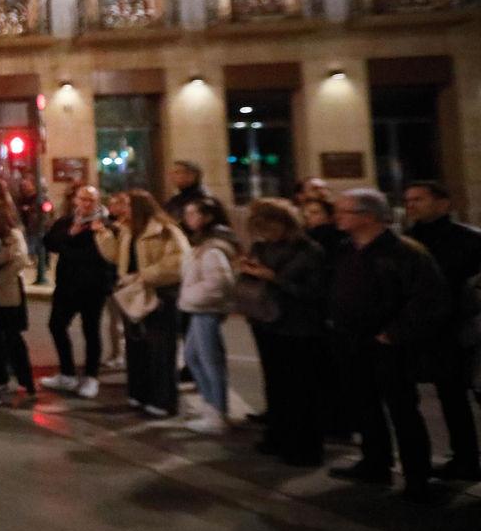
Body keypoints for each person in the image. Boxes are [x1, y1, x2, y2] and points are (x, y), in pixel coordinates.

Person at [327, 188, 449, 501]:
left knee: (403, 411)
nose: (336, 216)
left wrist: (393, 333)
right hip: (352, 341)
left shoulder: (404, 252)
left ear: (368, 216)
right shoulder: (345, 248)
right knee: (364, 406)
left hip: (389, 345)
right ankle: (375, 463)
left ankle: (416, 478)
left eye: (344, 211)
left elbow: (428, 300)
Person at [238, 198, 329, 466]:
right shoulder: (262, 247)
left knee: (301, 389)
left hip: (299, 326)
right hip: (267, 321)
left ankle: (304, 447)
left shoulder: (309, 251)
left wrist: (273, 278)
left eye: (267, 228)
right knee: (275, 384)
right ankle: (277, 436)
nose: (264, 234)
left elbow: (315, 292)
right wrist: (249, 272)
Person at [402, 181, 481, 480]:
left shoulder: (469, 240)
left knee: (457, 395)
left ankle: (467, 457)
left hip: (458, 328)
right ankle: (462, 456)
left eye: (418, 199)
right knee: (446, 395)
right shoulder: (408, 240)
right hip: (424, 329)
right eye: (408, 200)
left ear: (443, 203)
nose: (411, 204)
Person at [111, 189, 189, 418]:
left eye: (126, 204)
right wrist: (104, 236)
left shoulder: (165, 230)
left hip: (159, 293)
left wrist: (146, 274)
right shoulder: (126, 230)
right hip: (133, 292)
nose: (121, 208)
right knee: (137, 347)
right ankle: (140, 393)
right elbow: (117, 258)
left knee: (161, 350)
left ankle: (164, 400)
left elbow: (178, 262)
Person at [41, 185, 115, 399]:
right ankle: (67, 373)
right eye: (82, 199)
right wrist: (69, 234)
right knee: (56, 325)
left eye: (91, 200)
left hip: (95, 285)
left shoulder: (105, 224)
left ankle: (91, 377)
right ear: (75, 200)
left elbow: (109, 253)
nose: (86, 204)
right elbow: (50, 243)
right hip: (67, 284)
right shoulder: (66, 221)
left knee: (91, 330)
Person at [179, 197, 238, 433]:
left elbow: (218, 284)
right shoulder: (201, 243)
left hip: (206, 309)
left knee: (209, 361)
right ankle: (210, 405)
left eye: (193, 213)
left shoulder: (214, 247)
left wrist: (191, 296)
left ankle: (218, 412)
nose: (188, 218)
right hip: (198, 308)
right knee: (193, 357)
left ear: (208, 217)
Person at [0, 184, 33, 403]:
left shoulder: (12, 234)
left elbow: (20, 260)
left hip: (8, 293)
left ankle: (26, 380)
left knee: (12, 338)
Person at [164, 160, 206, 226]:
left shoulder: (204, 200)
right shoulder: (174, 201)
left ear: (191, 175)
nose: (172, 176)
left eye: (177, 172)